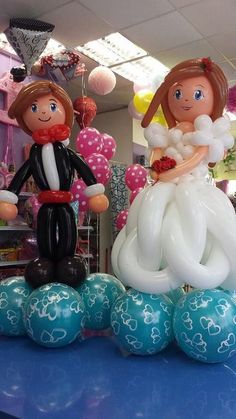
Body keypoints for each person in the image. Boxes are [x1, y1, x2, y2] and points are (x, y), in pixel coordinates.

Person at [112, 57, 236, 293]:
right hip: (163, 190)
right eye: (178, 93)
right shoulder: (168, 132)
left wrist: (170, 173)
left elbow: (196, 159)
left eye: (197, 94)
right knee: (149, 223)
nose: (186, 99)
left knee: (205, 230)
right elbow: (157, 154)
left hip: (193, 189)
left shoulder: (206, 135)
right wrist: (160, 168)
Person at [0, 80, 108, 288]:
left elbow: (82, 166)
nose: (42, 113)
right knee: (45, 230)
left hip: (65, 203)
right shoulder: (35, 152)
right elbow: (23, 173)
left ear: (65, 113)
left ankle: (68, 259)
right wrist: (11, 194)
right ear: (24, 117)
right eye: (33, 108)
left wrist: (94, 190)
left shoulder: (65, 151)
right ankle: (46, 261)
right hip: (46, 203)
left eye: (51, 106)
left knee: (68, 228)